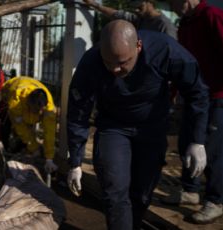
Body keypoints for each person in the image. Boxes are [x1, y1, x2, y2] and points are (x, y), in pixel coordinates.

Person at [66, 20, 209, 230]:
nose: (115, 69)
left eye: (122, 62)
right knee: (114, 191)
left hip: (152, 127)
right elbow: (78, 111)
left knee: (141, 194)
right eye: (109, 62)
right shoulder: (91, 62)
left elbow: (197, 91)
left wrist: (197, 140)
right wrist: (76, 161)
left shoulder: (165, 50)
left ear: (138, 47)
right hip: (113, 126)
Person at [161, 0, 223, 224]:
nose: (171, 7)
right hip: (194, 96)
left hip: (217, 95)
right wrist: (176, 90)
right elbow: (183, 62)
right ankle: (190, 190)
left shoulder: (212, 15)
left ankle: (216, 200)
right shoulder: (186, 24)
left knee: (213, 150)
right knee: (187, 142)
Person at [0, 77, 58, 174]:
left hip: (28, 89)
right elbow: (22, 129)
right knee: (7, 128)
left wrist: (49, 158)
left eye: (41, 112)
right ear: (28, 103)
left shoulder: (49, 108)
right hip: (8, 91)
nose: (39, 113)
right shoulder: (15, 102)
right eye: (36, 111)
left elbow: (49, 133)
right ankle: (7, 152)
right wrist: (34, 148)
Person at [82, 0, 178, 39]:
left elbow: (173, 53)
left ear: (150, 2)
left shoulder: (164, 26)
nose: (136, 10)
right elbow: (116, 14)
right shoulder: (140, 19)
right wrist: (94, 4)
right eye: (134, 7)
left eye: (140, 6)